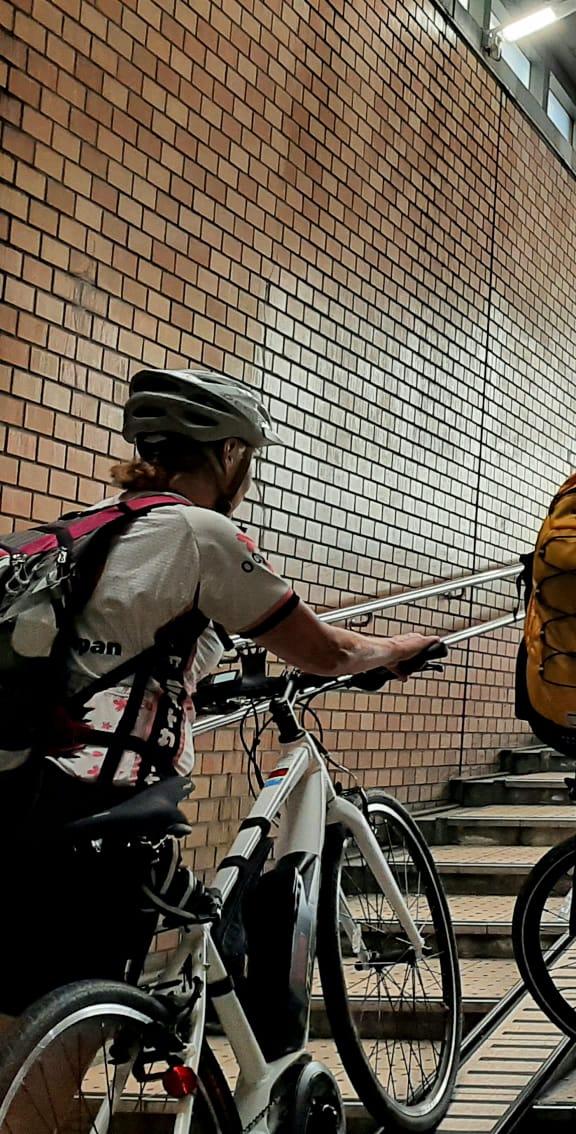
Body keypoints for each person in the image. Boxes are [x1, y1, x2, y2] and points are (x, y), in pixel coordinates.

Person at [0, 368, 440, 1016]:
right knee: (56, 1059)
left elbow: (109, 654)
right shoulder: (197, 533)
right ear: (229, 453)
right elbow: (325, 651)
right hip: (96, 818)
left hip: (18, 787)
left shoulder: (89, 529)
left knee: (17, 1025)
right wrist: (395, 651)